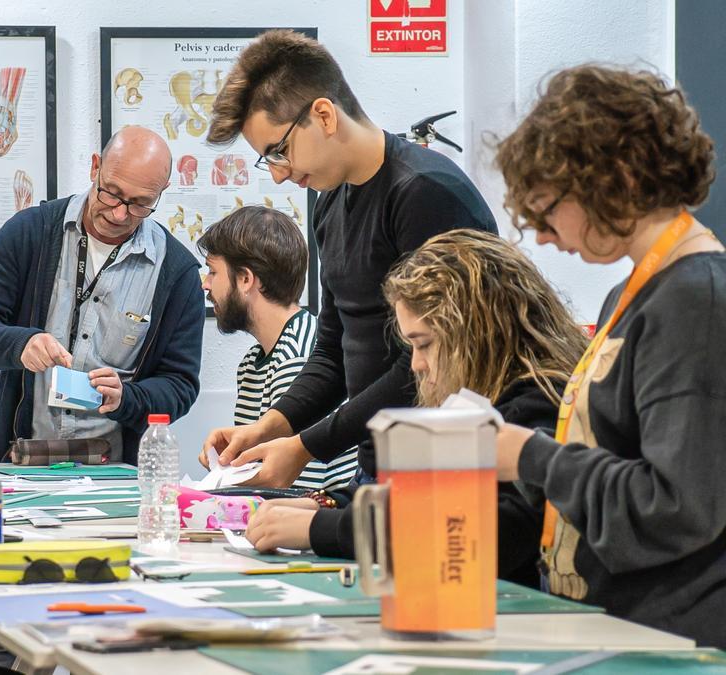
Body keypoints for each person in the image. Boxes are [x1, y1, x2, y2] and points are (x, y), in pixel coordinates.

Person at [200, 29, 497, 487]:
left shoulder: (424, 194)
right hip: (379, 461)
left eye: (279, 152)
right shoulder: (330, 203)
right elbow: (335, 349)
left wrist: (306, 447)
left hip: (446, 465)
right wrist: (270, 427)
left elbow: (430, 363)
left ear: (323, 115)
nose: (279, 176)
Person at [493, 65, 725, 647]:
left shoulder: (696, 301)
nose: (542, 235)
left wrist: (533, 458)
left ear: (614, 175)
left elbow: (678, 506)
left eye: (547, 208)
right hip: (620, 617)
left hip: (675, 633)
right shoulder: (633, 291)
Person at [245, 230, 586, 588]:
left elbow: (480, 532)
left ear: (475, 333)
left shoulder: (537, 402)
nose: (416, 365)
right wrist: (325, 504)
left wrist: (320, 529)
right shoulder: (478, 396)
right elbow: (413, 492)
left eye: (424, 345)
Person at [0, 126, 203, 464]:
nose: (119, 214)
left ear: (162, 193)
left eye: (140, 204)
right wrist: (20, 344)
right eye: (111, 193)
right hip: (22, 462)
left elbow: (180, 385)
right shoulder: (29, 233)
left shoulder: (177, 271)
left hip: (116, 472)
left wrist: (128, 397)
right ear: (95, 167)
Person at [198, 206, 351, 490]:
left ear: (245, 279)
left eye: (212, 271)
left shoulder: (299, 354)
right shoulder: (251, 363)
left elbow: (296, 486)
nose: (205, 285)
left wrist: (214, 483)